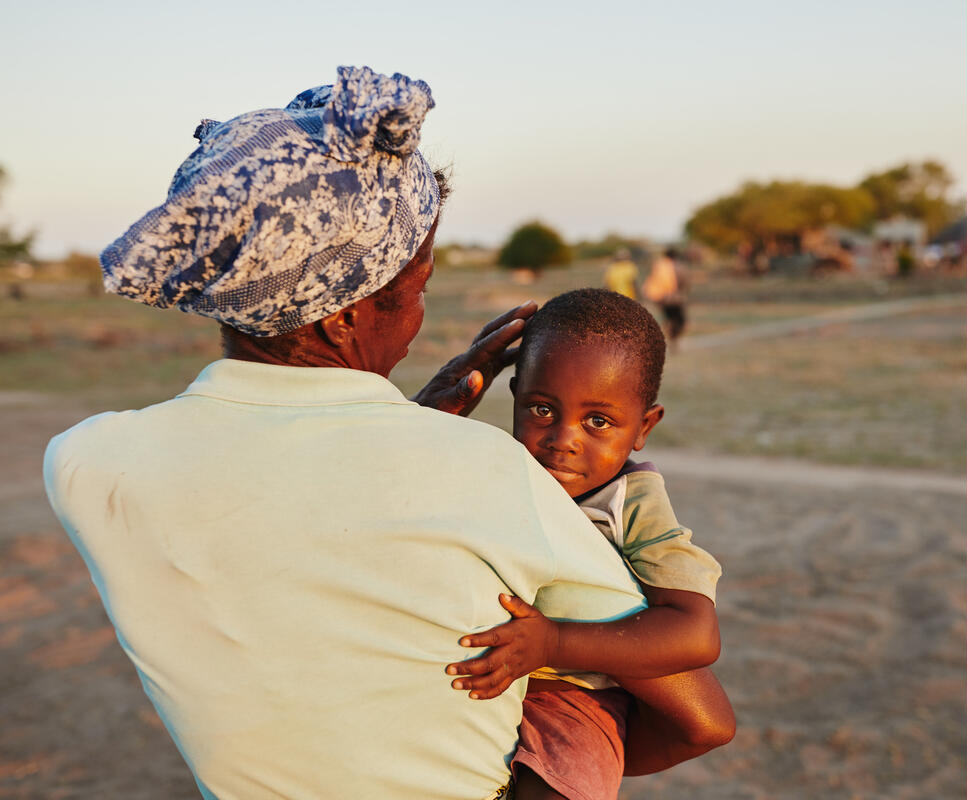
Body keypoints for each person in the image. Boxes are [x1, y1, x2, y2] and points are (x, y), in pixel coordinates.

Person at [42, 67, 662, 800]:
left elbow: (302, 502)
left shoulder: (87, 465)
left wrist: (413, 419)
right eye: (418, 288)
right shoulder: (487, 471)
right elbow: (699, 716)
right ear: (343, 317)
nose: (421, 319)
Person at [444, 289, 734, 799]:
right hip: (490, 673)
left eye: (597, 421)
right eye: (541, 409)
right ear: (514, 398)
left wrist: (555, 643)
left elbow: (696, 634)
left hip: (576, 696)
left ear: (644, 426)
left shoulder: (632, 501)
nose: (564, 438)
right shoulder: (503, 467)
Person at [640, 248, 687, 345]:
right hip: (674, 298)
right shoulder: (677, 266)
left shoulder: (659, 265)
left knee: (668, 318)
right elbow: (683, 281)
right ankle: (674, 338)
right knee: (679, 320)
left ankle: (669, 336)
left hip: (661, 298)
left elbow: (652, 279)